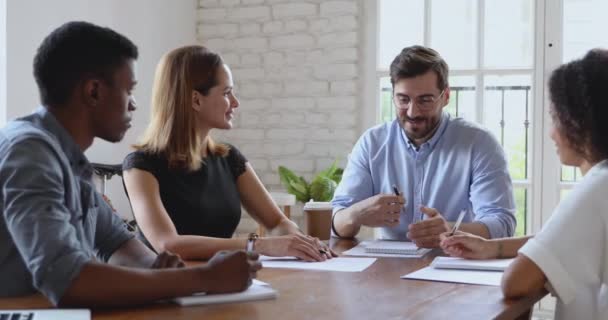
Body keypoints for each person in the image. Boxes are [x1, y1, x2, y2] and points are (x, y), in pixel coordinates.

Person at [0, 21, 260, 307]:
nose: (134, 104)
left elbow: (116, 243)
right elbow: (68, 280)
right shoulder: (31, 154)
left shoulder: (67, 158)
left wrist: (167, 271)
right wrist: (205, 279)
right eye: (129, 90)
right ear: (94, 91)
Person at [122, 45, 334, 262]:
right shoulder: (140, 166)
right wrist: (258, 245)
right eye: (226, 93)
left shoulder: (230, 158)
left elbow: (277, 222)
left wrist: (299, 242)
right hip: (169, 287)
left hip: (222, 282)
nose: (235, 102)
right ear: (196, 100)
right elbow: (169, 244)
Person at [440, 49, 608, 319]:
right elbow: (563, 242)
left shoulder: (597, 186)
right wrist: (492, 247)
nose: (552, 133)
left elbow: (515, 282)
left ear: (580, 124)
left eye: (555, 118)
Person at [331, 45, 516, 247]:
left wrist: (451, 230)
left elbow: (502, 224)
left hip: (454, 264)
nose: (412, 112)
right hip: (388, 270)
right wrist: (356, 214)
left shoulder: (479, 143)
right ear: (393, 95)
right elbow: (337, 222)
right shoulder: (372, 143)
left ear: (445, 96)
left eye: (425, 100)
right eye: (403, 100)